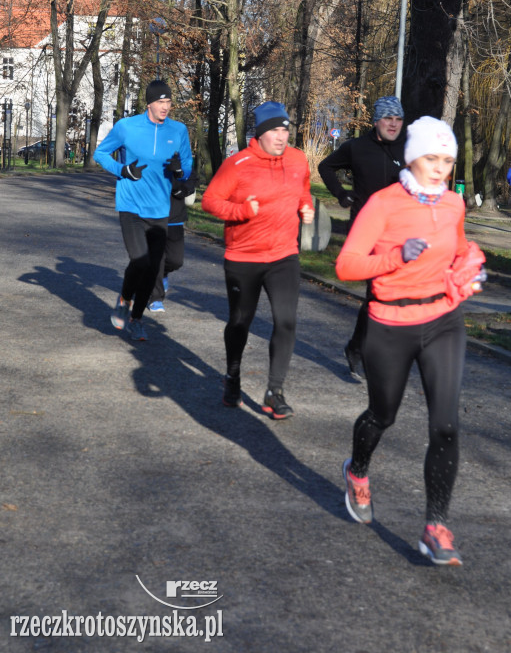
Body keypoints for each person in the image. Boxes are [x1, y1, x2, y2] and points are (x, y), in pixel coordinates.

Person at [336, 116, 486, 566]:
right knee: (383, 415)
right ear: (411, 157)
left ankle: (435, 526)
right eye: (431, 158)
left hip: (442, 319)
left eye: (447, 160)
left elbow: (458, 249)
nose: (440, 168)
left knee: (445, 424)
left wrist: (471, 263)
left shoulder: (454, 204)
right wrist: (396, 256)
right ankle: (357, 470)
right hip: (390, 323)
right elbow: (347, 265)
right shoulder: (383, 205)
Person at [201, 101, 314, 419]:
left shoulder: (298, 159)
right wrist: (240, 212)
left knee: (286, 321)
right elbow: (210, 201)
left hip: (283, 255)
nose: (282, 136)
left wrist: (306, 207)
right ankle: (232, 377)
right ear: (261, 133)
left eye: (285, 130)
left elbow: (303, 189)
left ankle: (274, 392)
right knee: (240, 322)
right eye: (275, 130)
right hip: (244, 258)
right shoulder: (239, 164)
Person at [93, 79, 193, 340]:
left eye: (169, 102)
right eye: (160, 102)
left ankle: (137, 318)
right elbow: (101, 154)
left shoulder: (179, 130)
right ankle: (124, 299)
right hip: (131, 206)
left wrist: (179, 171)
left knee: (153, 269)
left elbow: (188, 165)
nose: (165, 107)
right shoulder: (127, 127)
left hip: (160, 209)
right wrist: (122, 170)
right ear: (149, 103)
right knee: (140, 260)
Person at [318, 96, 406, 381]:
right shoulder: (356, 148)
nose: (393, 124)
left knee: (395, 295)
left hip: (400, 231)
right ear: (377, 120)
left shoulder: (409, 149)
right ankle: (367, 353)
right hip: (367, 231)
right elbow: (325, 167)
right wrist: (341, 194)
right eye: (388, 118)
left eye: (398, 119)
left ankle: (358, 347)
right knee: (377, 293)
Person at [147, 168, 199, 312]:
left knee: (176, 261)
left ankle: (163, 274)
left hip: (175, 216)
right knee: (157, 258)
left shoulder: (180, 155)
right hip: (153, 215)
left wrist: (183, 189)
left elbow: (192, 176)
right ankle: (156, 298)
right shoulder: (151, 152)